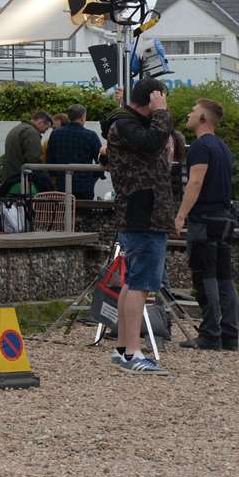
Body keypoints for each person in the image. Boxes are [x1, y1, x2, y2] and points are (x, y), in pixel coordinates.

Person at [102, 77, 173, 375]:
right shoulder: (125, 125)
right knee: (141, 285)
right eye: (159, 100)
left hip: (144, 211)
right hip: (143, 213)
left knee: (133, 283)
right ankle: (132, 351)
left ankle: (123, 348)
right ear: (152, 98)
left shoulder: (126, 124)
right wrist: (162, 113)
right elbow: (152, 142)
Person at [173, 98, 239, 351]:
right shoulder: (223, 147)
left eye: (193, 111)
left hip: (205, 219)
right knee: (224, 277)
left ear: (203, 119)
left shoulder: (200, 147)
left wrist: (181, 215)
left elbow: (195, 183)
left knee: (205, 276)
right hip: (225, 217)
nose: (188, 114)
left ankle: (210, 333)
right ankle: (229, 334)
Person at [46, 104, 104, 198]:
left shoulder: (55, 134)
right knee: (83, 212)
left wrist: (54, 176)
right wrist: (93, 178)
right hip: (84, 185)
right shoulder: (90, 136)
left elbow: (50, 159)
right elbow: (101, 159)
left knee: (64, 212)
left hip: (62, 184)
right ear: (82, 118)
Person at [0, 110, 52, 192]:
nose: (44, 132)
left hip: (10, 176)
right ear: (40, 122)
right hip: (20, 177)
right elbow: (34, 159)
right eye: (46, 128)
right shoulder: (31, 133)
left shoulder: (18, 128)